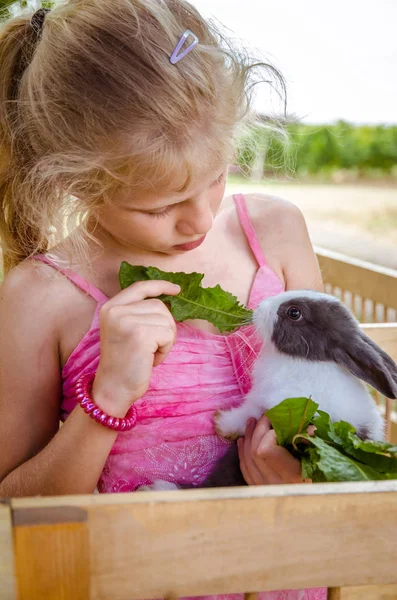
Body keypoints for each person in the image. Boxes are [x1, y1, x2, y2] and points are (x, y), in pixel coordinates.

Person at [0, 2, 324, 599]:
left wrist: (308, 464)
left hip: (289, 575)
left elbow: (329, 404)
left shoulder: (275, 232)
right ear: (76, 182)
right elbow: (10, 508)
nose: (198, 220)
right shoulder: (39, 297)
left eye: (216, 175)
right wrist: (110, 395)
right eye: (158, 207)